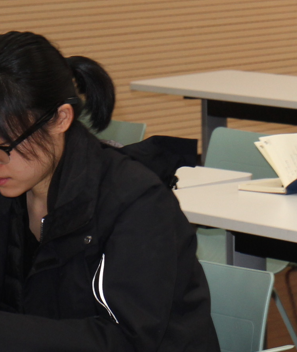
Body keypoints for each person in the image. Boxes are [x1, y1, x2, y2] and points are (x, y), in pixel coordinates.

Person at [0, 31, 219, 351]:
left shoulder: (136, 202)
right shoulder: (15, 187)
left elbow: (129, 340)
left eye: (5, 147)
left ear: (60, 119)